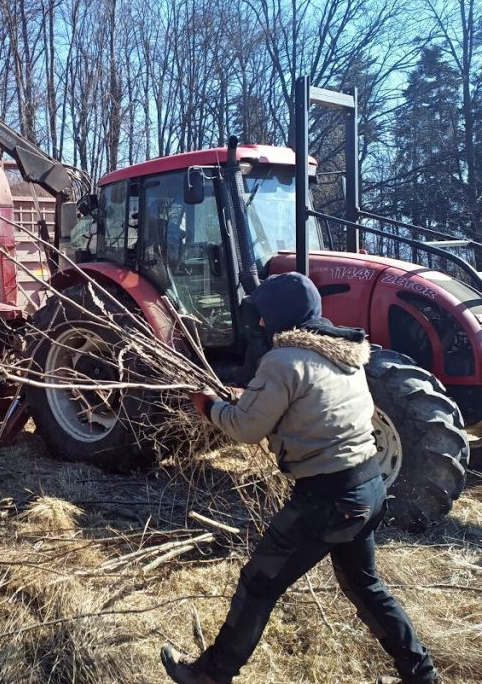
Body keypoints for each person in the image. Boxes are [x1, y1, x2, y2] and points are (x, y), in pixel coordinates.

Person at [160, 272, 442, 684]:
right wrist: (249, 399)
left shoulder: (282, 361)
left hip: (326, 500)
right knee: (365, 585)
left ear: (281, 317)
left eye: (264, 316)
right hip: (367, 488)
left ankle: (210, 675)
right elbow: (312, 406)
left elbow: (245, 429)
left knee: (258, 582)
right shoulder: (347, 354)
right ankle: (422, 676)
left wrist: (207, 405)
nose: (259, 324)